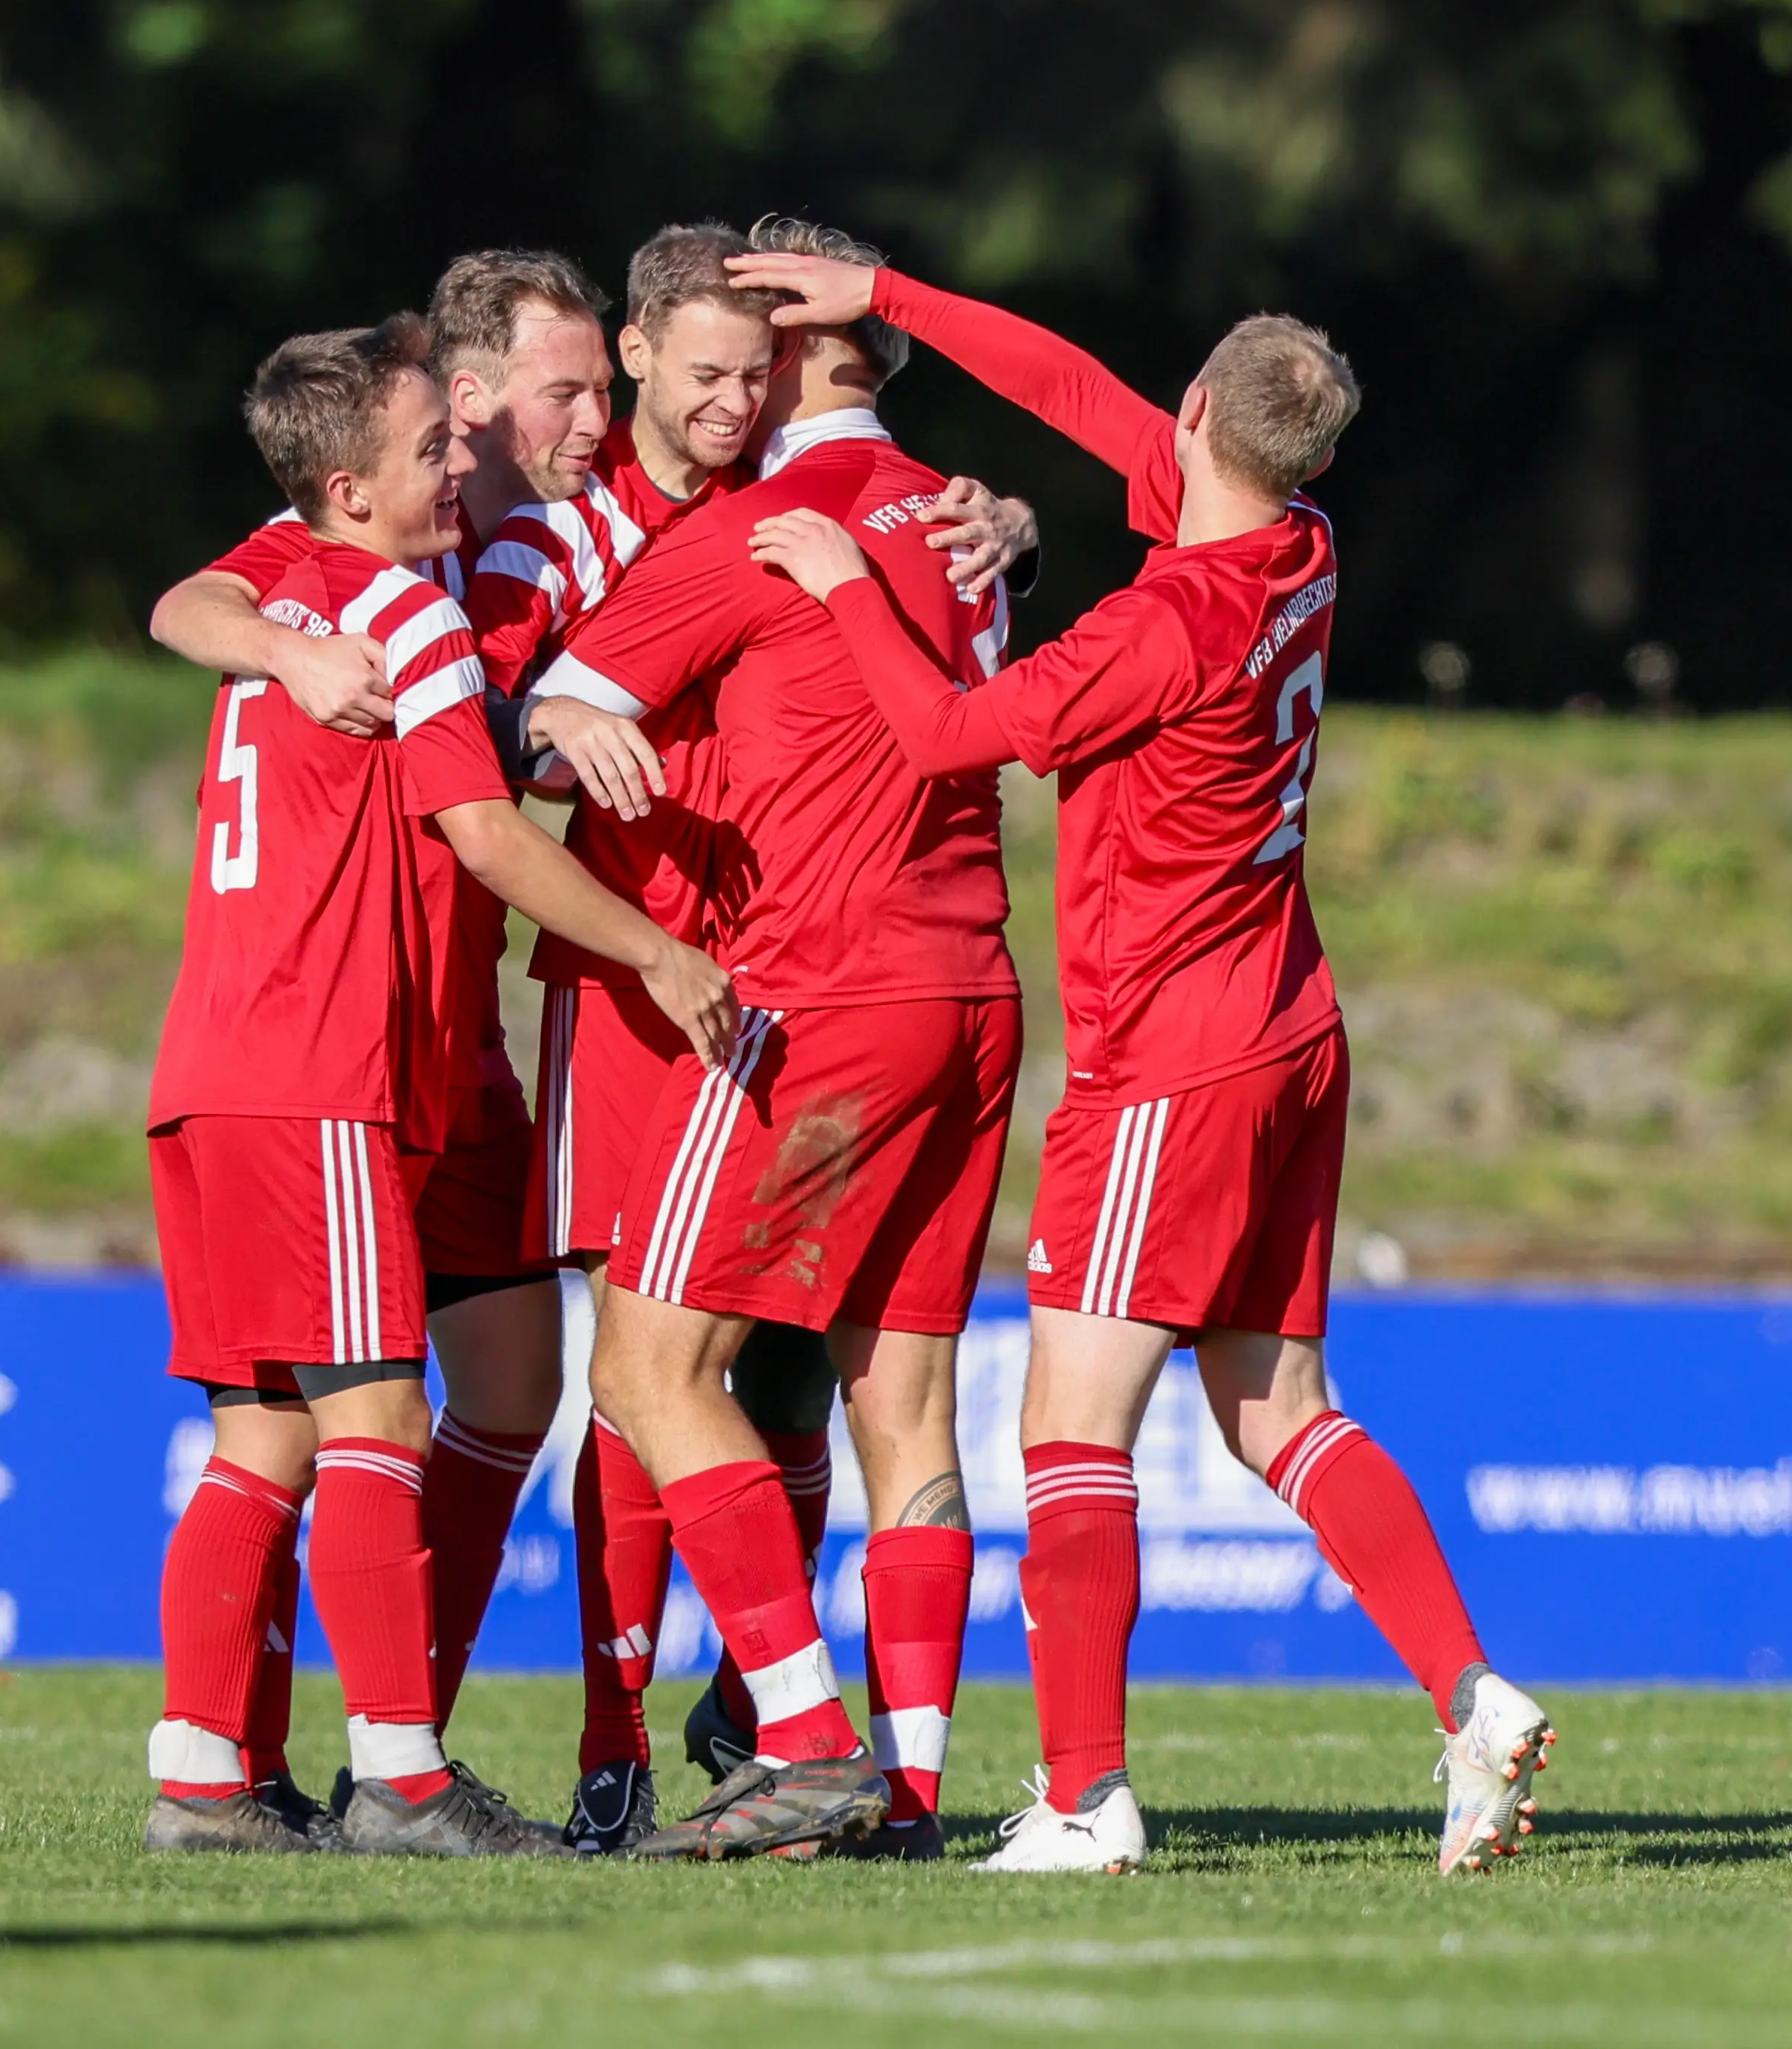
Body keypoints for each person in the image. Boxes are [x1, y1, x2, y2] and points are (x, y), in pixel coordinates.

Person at [730, 247, 1554, 1876]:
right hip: (1289, 1030)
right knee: (1278, 1410)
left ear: (1195, 416)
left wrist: (840, 578)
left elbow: (953, 735)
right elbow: (1066, 389)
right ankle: (1471, 1697)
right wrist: (889, 287)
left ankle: (1086, 1792)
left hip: (1167, 1058)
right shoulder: (1297, 541)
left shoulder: (1164, 614)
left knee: (1071, 1429)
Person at [138, 317, 734, 1856]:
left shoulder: (291, 575)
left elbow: (189, 599)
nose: (450, 470)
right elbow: (488, 833)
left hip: (219, 1064)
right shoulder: (401, 613)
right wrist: (657, 949)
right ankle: (402, 1772)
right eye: (424, 452)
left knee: (265, 1433)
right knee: (379, 1410)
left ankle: (203, 1774)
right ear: (352, 486)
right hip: (320, 1068)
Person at [529, 234, 1025, 1863]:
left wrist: (556, 710)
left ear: (804, 347)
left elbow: (546, 703)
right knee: (910, 1404)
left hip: (821, 999)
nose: (736, 386)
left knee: (646, 1368)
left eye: (758, 356)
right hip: (976, 996)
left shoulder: (758, 533)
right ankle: (915, 1784)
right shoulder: (972, 530)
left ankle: (803, 1738)